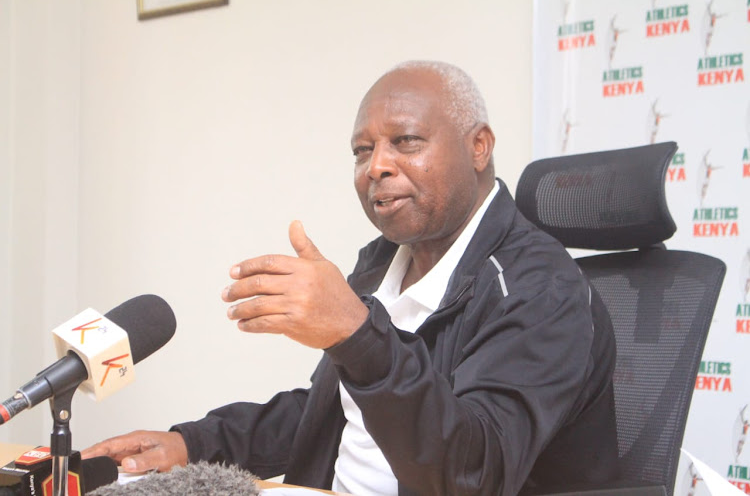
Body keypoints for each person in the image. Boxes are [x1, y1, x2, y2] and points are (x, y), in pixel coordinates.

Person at [83, 61, 618, 495]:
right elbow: (328, 414)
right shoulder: (386, 260)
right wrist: (190, 444)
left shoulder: (542, 289)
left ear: (478, 146)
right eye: (362, 151)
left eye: (405, 141)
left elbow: (473, 475)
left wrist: (358, 336)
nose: (376, 167)